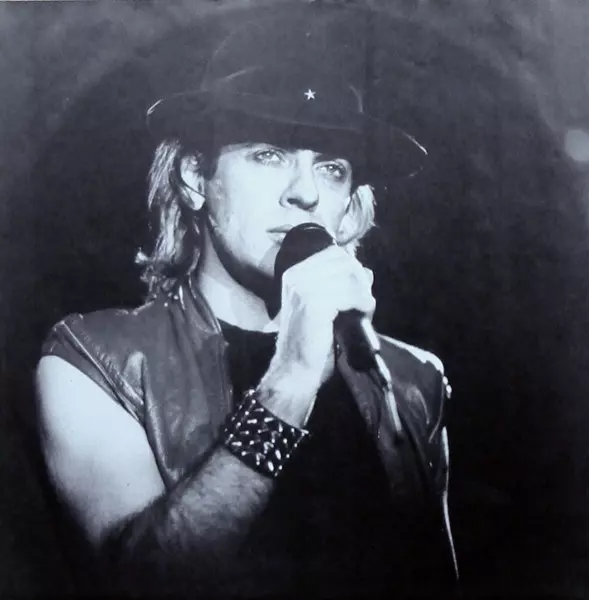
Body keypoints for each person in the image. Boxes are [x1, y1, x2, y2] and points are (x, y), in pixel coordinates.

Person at [35, 4, 458, 596]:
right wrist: (290, 380)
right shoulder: (95, 360)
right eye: (268, 155)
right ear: (194, 178)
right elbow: (141, 586)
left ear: (349, 205)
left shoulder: (411, 380)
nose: (305, 193)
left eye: (331, 168)